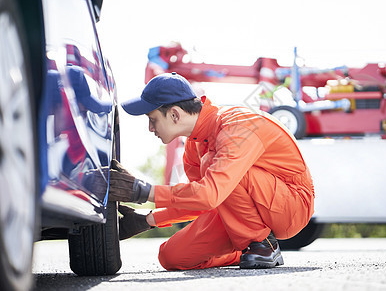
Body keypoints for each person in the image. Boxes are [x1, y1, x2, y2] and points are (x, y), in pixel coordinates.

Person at [108, 72, 315, 270]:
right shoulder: (193, 146)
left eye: (152, 120)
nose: (150, 128)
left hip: (292, 205)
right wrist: (148, 219)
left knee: (213, 166)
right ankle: (245, 249)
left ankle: (262, 246)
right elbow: (201, 201)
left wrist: (144, 192)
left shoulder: (236, 127)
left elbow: (209, 193)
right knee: (171, 256)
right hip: (244, 207)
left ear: (174, 114)